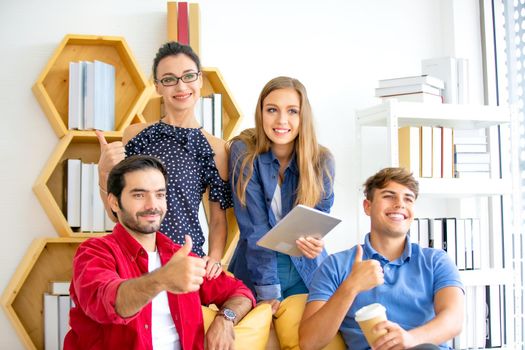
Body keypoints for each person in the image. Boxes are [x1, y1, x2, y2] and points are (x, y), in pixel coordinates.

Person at [64, 155, 254, 350]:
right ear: (114, 202)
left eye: (160, 194)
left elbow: (241, 293)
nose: (152, 205)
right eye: (139, 195)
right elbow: (108, 303)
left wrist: (225, 319)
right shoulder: (93, 253)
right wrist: (162, 279)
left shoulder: (181, 257)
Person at [96, 41, 231, 279]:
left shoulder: (216, 149)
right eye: (169, 79)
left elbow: (218, 219)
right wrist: (104, 172)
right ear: (158, 86)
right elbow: (115, 212)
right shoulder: (135, 135)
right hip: (134, 260)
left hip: (184, 262)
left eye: (188, 76)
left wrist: (215, 257)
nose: (181, 85)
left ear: (200, 80)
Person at [299, 167, 464, 350]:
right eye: (389, 196)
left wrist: (410, 339)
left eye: (408, 199)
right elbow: (309, 343)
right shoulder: (336, 265)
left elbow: (454, 320)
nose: (400, 204)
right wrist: (351, 286)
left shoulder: (436, 261)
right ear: (367, 206)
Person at [227, 76, 335, 311]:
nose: (282, 120)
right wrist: (268, 292)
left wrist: (315, 241)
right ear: (261, 113)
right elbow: (254, 229)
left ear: (303, 115)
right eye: (272, 110)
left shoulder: (322, 161)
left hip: (306, 269)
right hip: (256, 269)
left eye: (292, 111)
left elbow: (317, 220)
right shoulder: (244, 152)